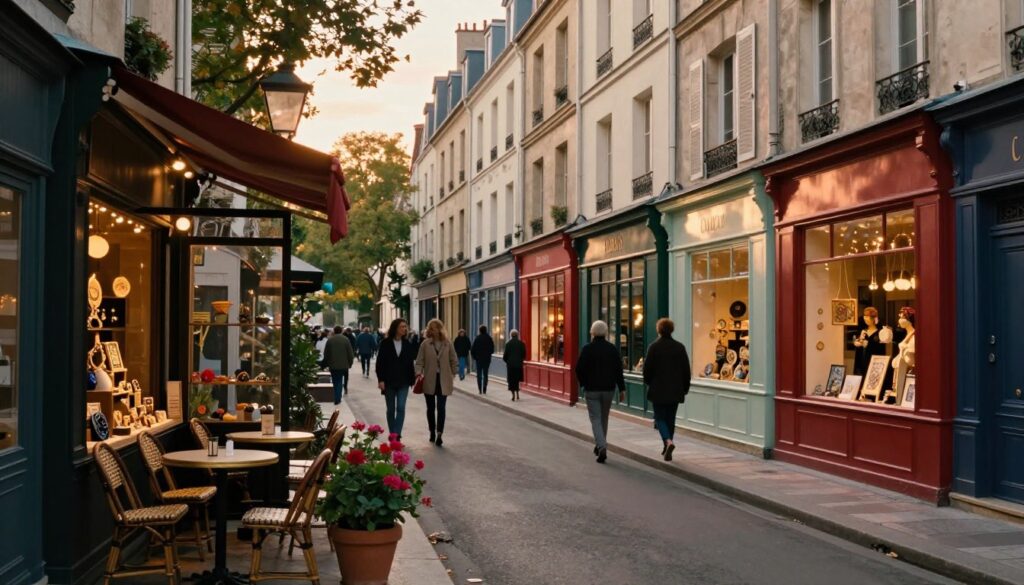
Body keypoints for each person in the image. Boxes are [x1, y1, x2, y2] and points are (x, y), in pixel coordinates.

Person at [574, 320, 625, 464]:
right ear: (606, 333)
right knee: (604, 418)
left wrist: (584, 384)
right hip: (609, 389)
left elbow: (579, 369)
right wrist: (622, 388)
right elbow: (618, 370)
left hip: (592, 389)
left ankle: (601, 445)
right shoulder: (612, 349)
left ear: (592, 333)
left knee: (595, 418)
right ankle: (601, 444)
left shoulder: (587, 349)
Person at [642, 318, 691, 461]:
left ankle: (668, 442)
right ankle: (667, 446)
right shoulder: (679, 347)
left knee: (660, 418)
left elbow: (647, 370)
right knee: (671, 419)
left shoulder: (654, 347)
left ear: (659, 330)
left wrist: (649, 382)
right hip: (675, 389)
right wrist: (685, 387)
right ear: (672, 330)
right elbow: (686, 370)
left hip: (658, 389)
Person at [415, 318, 458, 447]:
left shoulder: (447, 343)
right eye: (430, 328)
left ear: (439, 329)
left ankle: (440, 433)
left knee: (441, 407)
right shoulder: (425, 344)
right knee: (430, 408)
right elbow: (419, 361)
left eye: (434, 328)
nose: (432, 330)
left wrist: (453, 373)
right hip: (429, 379)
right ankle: (431, 431)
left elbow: (453, 360)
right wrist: (418, 372)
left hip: (443, 379)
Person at [376, 318, 417, 440]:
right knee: (390, 409)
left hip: (404, 381)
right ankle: (392, 432)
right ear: (395, 328)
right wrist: (381, 380)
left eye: (405, 327)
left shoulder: (407, 344)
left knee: (400, 407)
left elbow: (410, 363)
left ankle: (396, 435)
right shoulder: (385, 343)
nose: (404, 329)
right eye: (402, 327)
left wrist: (412, 379)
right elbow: (380, 363)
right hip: (389, 381)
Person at [322, 325, 355, 405]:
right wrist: (350, 363)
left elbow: (326, 353)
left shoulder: (330, 340)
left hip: (333, 365)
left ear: (334, 331)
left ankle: (336, 397)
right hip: (343, 365)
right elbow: (350, 353)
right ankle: (338, 397)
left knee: (335, 381)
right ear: (341, 331)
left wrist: (326, 363)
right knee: (340, 380)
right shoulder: (346, 340)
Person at [470, 325, 495, 394]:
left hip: (479, 359)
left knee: (479, 374)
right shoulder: (489, 338)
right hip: (486, 359)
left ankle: (479, 389)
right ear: (486, 330)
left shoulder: (477, 338)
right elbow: (492, 349)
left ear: (480, 331)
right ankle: (484, 388)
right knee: (485, 374)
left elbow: (473, 350)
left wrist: (475, 357)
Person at [503, 329, 526, 401]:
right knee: (517, 379)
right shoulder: (521, 344)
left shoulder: (508, 344)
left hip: (511, 365)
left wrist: (508, 361)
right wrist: (520, 360)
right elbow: (524, 354)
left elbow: (505, 356)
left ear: (511, 335)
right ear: (517, 335)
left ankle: (513, 394)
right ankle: (518, 393)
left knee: (511, 380)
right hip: (518, 365)